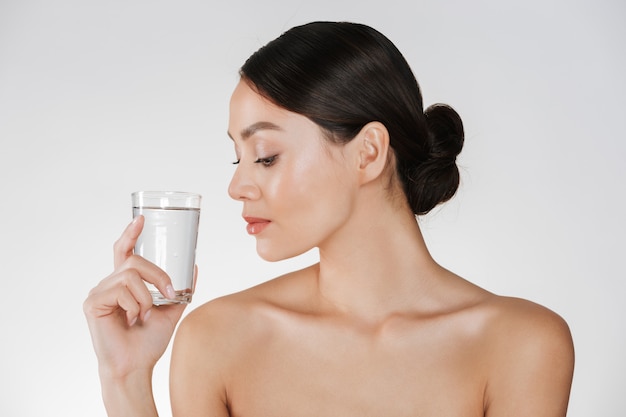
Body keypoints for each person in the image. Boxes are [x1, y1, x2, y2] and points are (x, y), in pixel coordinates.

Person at [84, 21, 574, 416]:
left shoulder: (521, 345)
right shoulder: (217, 340)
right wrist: (125, 379)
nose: (237, 186)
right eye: (238, 157)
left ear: (368, 152)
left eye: (266, 155)